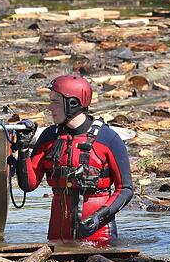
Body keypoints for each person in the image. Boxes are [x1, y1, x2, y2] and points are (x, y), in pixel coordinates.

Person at [15, 75, 133, 246]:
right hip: (57, 238)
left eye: (55, 102)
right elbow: (28, 185)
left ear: (73, 104)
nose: (49, 107)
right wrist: (23, 148)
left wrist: (99, 216)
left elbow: (125, 189)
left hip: (98, 238)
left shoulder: (108, 139)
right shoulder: (49, 137)